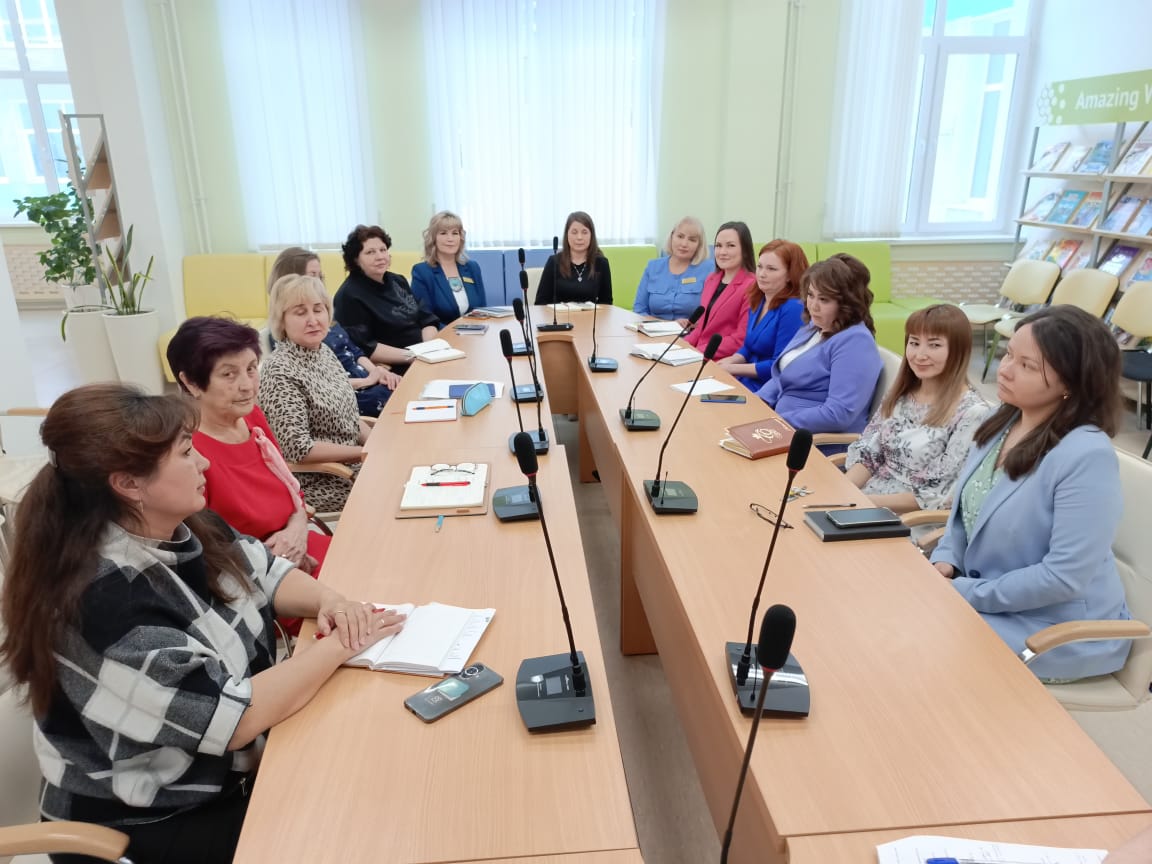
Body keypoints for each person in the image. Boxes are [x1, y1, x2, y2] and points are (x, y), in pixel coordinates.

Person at [0, 383, 405, 864]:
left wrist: (332, 601)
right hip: (153, 819)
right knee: (355, 826)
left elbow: (267, 572)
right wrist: (339, 645)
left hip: (225, 771)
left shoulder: (181, 522)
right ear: (128, 484)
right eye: (187, 453)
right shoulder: (101, 601)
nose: (205, 463)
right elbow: (234, 719)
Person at [930, 305, 1131, 681]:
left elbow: (1063, 577)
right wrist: (946, 560)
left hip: (1053, 628)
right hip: (990, 598)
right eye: (1009, 354)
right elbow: (964, 517)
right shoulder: (1001, 422)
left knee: (920, 643)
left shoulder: (1086, 455)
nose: (1005, 370)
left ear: (1071, 382)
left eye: (1027, 365)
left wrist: (966, 591)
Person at [167, 315, 332, 582]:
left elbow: (291, 489)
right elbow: (209, 553)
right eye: (228, 374)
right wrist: (279, 562)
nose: (247, 386)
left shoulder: (251, 417)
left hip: (300, 543)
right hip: (260, 576)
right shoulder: (188, 453)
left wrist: (298, 528)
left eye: (252, 368)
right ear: (191, 383)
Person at [844, 304, 990, 513]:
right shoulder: (901, 394)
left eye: (934, 345)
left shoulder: (972, 412)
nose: (920, 355)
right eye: (914, 343)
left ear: (958, 350)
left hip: (911, 518)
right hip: (867, 499)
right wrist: (844, 493)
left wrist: (862, 502)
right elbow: (869, 455)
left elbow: (939, 494)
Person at [260, 274, 370, 513]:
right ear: (281, 320)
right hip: (322, 480)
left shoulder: (323, 352)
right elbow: (298, 448)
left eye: (318, 310)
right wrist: (365, 454)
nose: (313, 320)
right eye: (300, 313)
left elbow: (350, 417)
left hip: (355, 464)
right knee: (398, 489)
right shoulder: (279, 370)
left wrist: (376, 444)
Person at [756, 255, 882, 436]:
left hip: (811, 440)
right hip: (779, 428)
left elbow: (838, 414)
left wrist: (777, 422)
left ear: (844, 303)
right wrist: (757, 403)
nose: (813, 306)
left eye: (824, 299)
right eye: (810, 295)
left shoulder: (856, 341)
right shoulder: (814, 327)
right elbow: (783, 377)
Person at [267, 246, 398, 417]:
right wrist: (367, 381)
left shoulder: (324, 322)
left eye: (320, 276)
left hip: (364, 382)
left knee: (405, 388)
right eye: (312, 276)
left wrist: (377, 372)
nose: (318, 282)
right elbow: (318, 387)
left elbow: (355, 351)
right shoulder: (292, 336)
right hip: (352, 393)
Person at [332, 224, 440, 375]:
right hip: (393, 368)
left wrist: (431, 349)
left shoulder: (398, 281)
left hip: (424, 357)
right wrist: (416, 356)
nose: (380, 256)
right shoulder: (349, 295)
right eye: (370, 252)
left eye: (383, 250)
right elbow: (365, 347)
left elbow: (426, 320)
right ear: (356, 259)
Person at [716, 239, 807, 389]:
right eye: (760, 267)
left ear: (790, 275)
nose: (762, 274)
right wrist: (731, 360)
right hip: (744, 380)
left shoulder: (793, 308)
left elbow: (779, 365)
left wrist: (732, 368)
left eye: (771, 269)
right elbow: (749, 346)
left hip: (767, 388)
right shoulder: (759, 298)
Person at [684, 221, 754, 361]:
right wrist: (680, 347)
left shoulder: (752, 285)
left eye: (730, 246)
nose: (722, 252)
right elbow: (701, 328)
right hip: (698, 354)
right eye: (718, 246)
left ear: (745, 250)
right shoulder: (711, 279)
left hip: (721, 360)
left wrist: (697, 352)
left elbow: (740, 338)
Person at [410, 210, 486, 326]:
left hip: (476, 332)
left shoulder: (472, 268)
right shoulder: (422, 272)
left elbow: (482, 310)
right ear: (433, 238)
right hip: (442, 334)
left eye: (455, 233)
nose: (450, 239)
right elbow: (425, 318)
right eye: (443, 233)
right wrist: (455, 333)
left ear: (460, 238)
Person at [632, 216, 712, 321]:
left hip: (691, 331)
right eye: (680, 236)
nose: (684, 244)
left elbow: (712, 315)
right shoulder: (653, 267)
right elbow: (639, 311)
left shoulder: (709, 269)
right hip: (653, 329)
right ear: (672, 237)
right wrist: (668, 325)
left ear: (699, 245)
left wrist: (693, 324)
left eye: (692, 240)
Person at [534, 211, 613, 306]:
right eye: (574, 232)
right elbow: (540, 302)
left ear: (591, 236)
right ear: (567, 234)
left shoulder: (601, 263)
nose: (579, 237)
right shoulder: (554, 262)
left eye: (584, 232)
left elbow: (606, 303)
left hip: (590, 315)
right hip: (560, 315)